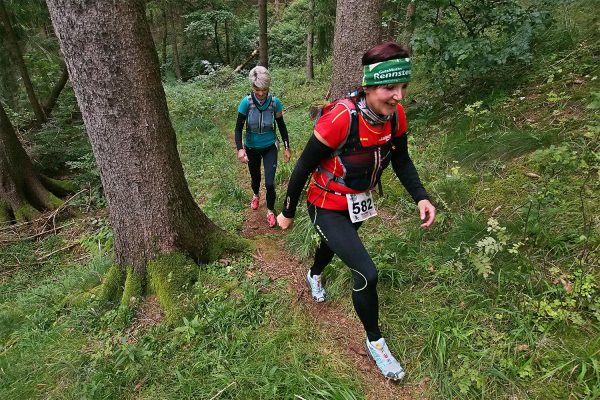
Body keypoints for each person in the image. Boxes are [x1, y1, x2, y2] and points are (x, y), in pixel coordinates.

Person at [277, 42, 436, 380]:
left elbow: (402, 160)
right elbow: (303, 166)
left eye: (403, 87)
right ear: (368, 86)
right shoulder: (340, 118)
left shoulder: (395, 118)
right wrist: (287, 211)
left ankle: (314, 274)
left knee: (333, 247)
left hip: (357, 202)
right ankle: (375, 342)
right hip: (324, 204)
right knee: (367, 272)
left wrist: (420, 196)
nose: (398, 96)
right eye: (389, 88)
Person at [235, 66, 291, 227]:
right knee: (255, 178)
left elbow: (281, 125)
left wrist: (287, 147)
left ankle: (270, 210)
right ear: (253, 87)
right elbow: (238, 127)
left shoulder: (275, 103)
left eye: (264, 89)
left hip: (269, 146)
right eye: (257, 89)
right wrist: (240, 148)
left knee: (270, 182)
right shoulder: (246, 103)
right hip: (251, 146)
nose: (260, 93)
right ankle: (255, 194)